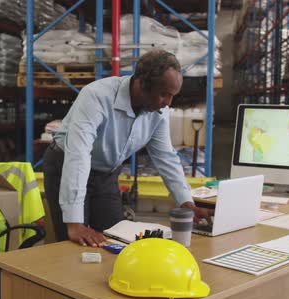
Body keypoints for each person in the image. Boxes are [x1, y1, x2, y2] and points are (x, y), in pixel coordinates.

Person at [43, 50, 211, 247]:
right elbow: (78, 156)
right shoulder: (96, 96)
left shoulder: (158, 111)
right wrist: (74, 223)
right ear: (142, 82)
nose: (168, 103)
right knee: (75, 244)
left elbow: (166, 157)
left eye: (172, 95)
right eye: (163, 94)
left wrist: (187, 203)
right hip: (65, 165)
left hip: (105, 174)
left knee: (116, 239)